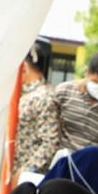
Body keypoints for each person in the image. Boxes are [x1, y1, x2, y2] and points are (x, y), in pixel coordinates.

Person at [53, 51, 98, 162]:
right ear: (86, 72)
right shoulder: (64, 92)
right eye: (95, 81)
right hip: (62, 162)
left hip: (93, 167)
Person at [14, 37, 61, 174]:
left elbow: (50, 143)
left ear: (24, 67)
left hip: (23, 180)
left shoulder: (43, 97)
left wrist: (23, 172)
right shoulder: (25, 94)